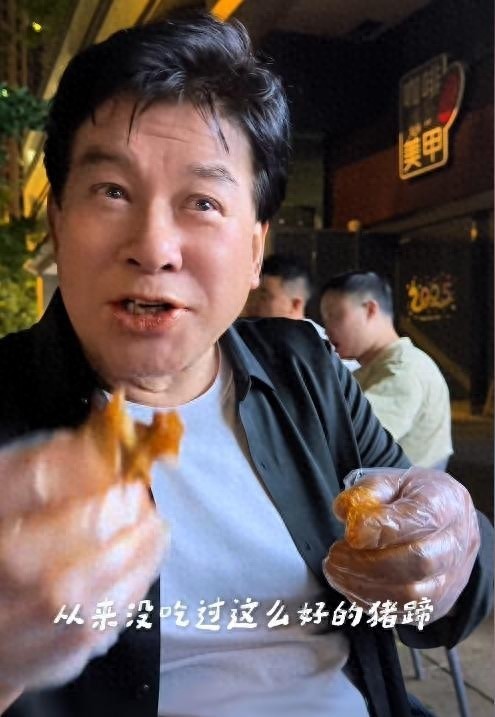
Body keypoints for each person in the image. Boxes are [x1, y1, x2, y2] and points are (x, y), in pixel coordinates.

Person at [0, 12, 491, 717]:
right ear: (56, 223)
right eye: (112, 191)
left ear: (255, 249)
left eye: (202, 202)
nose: (155, 247)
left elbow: (450, 595)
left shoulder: (306, 371)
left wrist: (452, 549)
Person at [320, 271, 453, 469]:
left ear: (370, 310)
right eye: (325, 319)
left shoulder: (403, 370)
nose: (327, 329)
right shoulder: (379, 367)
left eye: (335, 316)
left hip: (395, 488)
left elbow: (346, 440)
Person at [256, 253, 360, 370]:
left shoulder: (325, 349)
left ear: (295, 304)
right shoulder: (259, 339)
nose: (256, 304)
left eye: (265, 297)